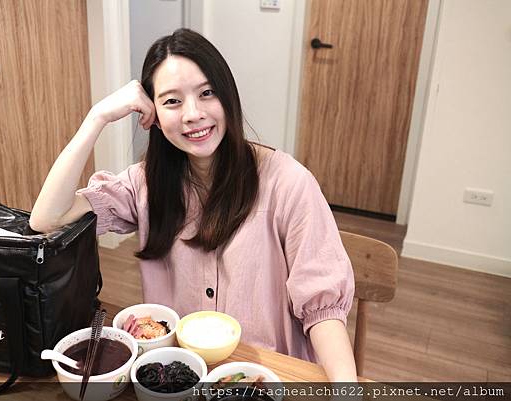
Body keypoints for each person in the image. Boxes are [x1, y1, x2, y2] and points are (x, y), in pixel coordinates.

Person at [30, 28, 357, 381]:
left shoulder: (288, 183)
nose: (193, 114)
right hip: (178, 375)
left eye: (206, 93)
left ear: (227, 97)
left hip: (265, 376)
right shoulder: (144, 183)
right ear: (152, 114)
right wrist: (97, 117)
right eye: (172, 101)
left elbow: (324, 310)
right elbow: (47, 219)